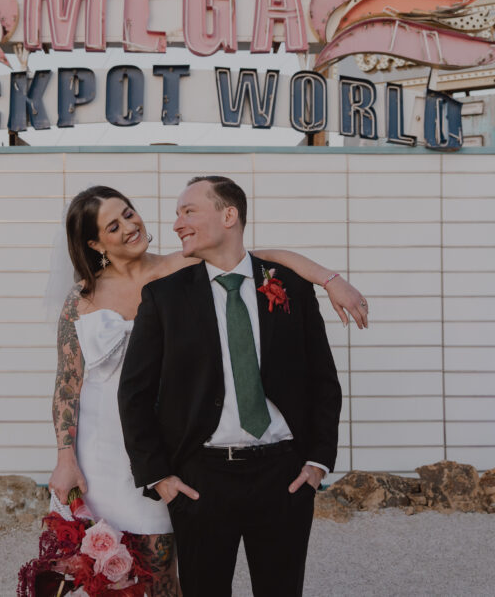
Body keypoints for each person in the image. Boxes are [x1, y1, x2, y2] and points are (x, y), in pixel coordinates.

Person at [49, 185, 367, 596]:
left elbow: (263, 257)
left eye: (129, 213)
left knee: (167, 564)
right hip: (104, 444)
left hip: (175, 436)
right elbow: (66, 383)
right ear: (95, 244)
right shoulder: (80, 300)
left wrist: (330, 279)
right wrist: (65, 457)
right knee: (111, 565)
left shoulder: (179, 267)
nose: (131, 225)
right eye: (114, 224)